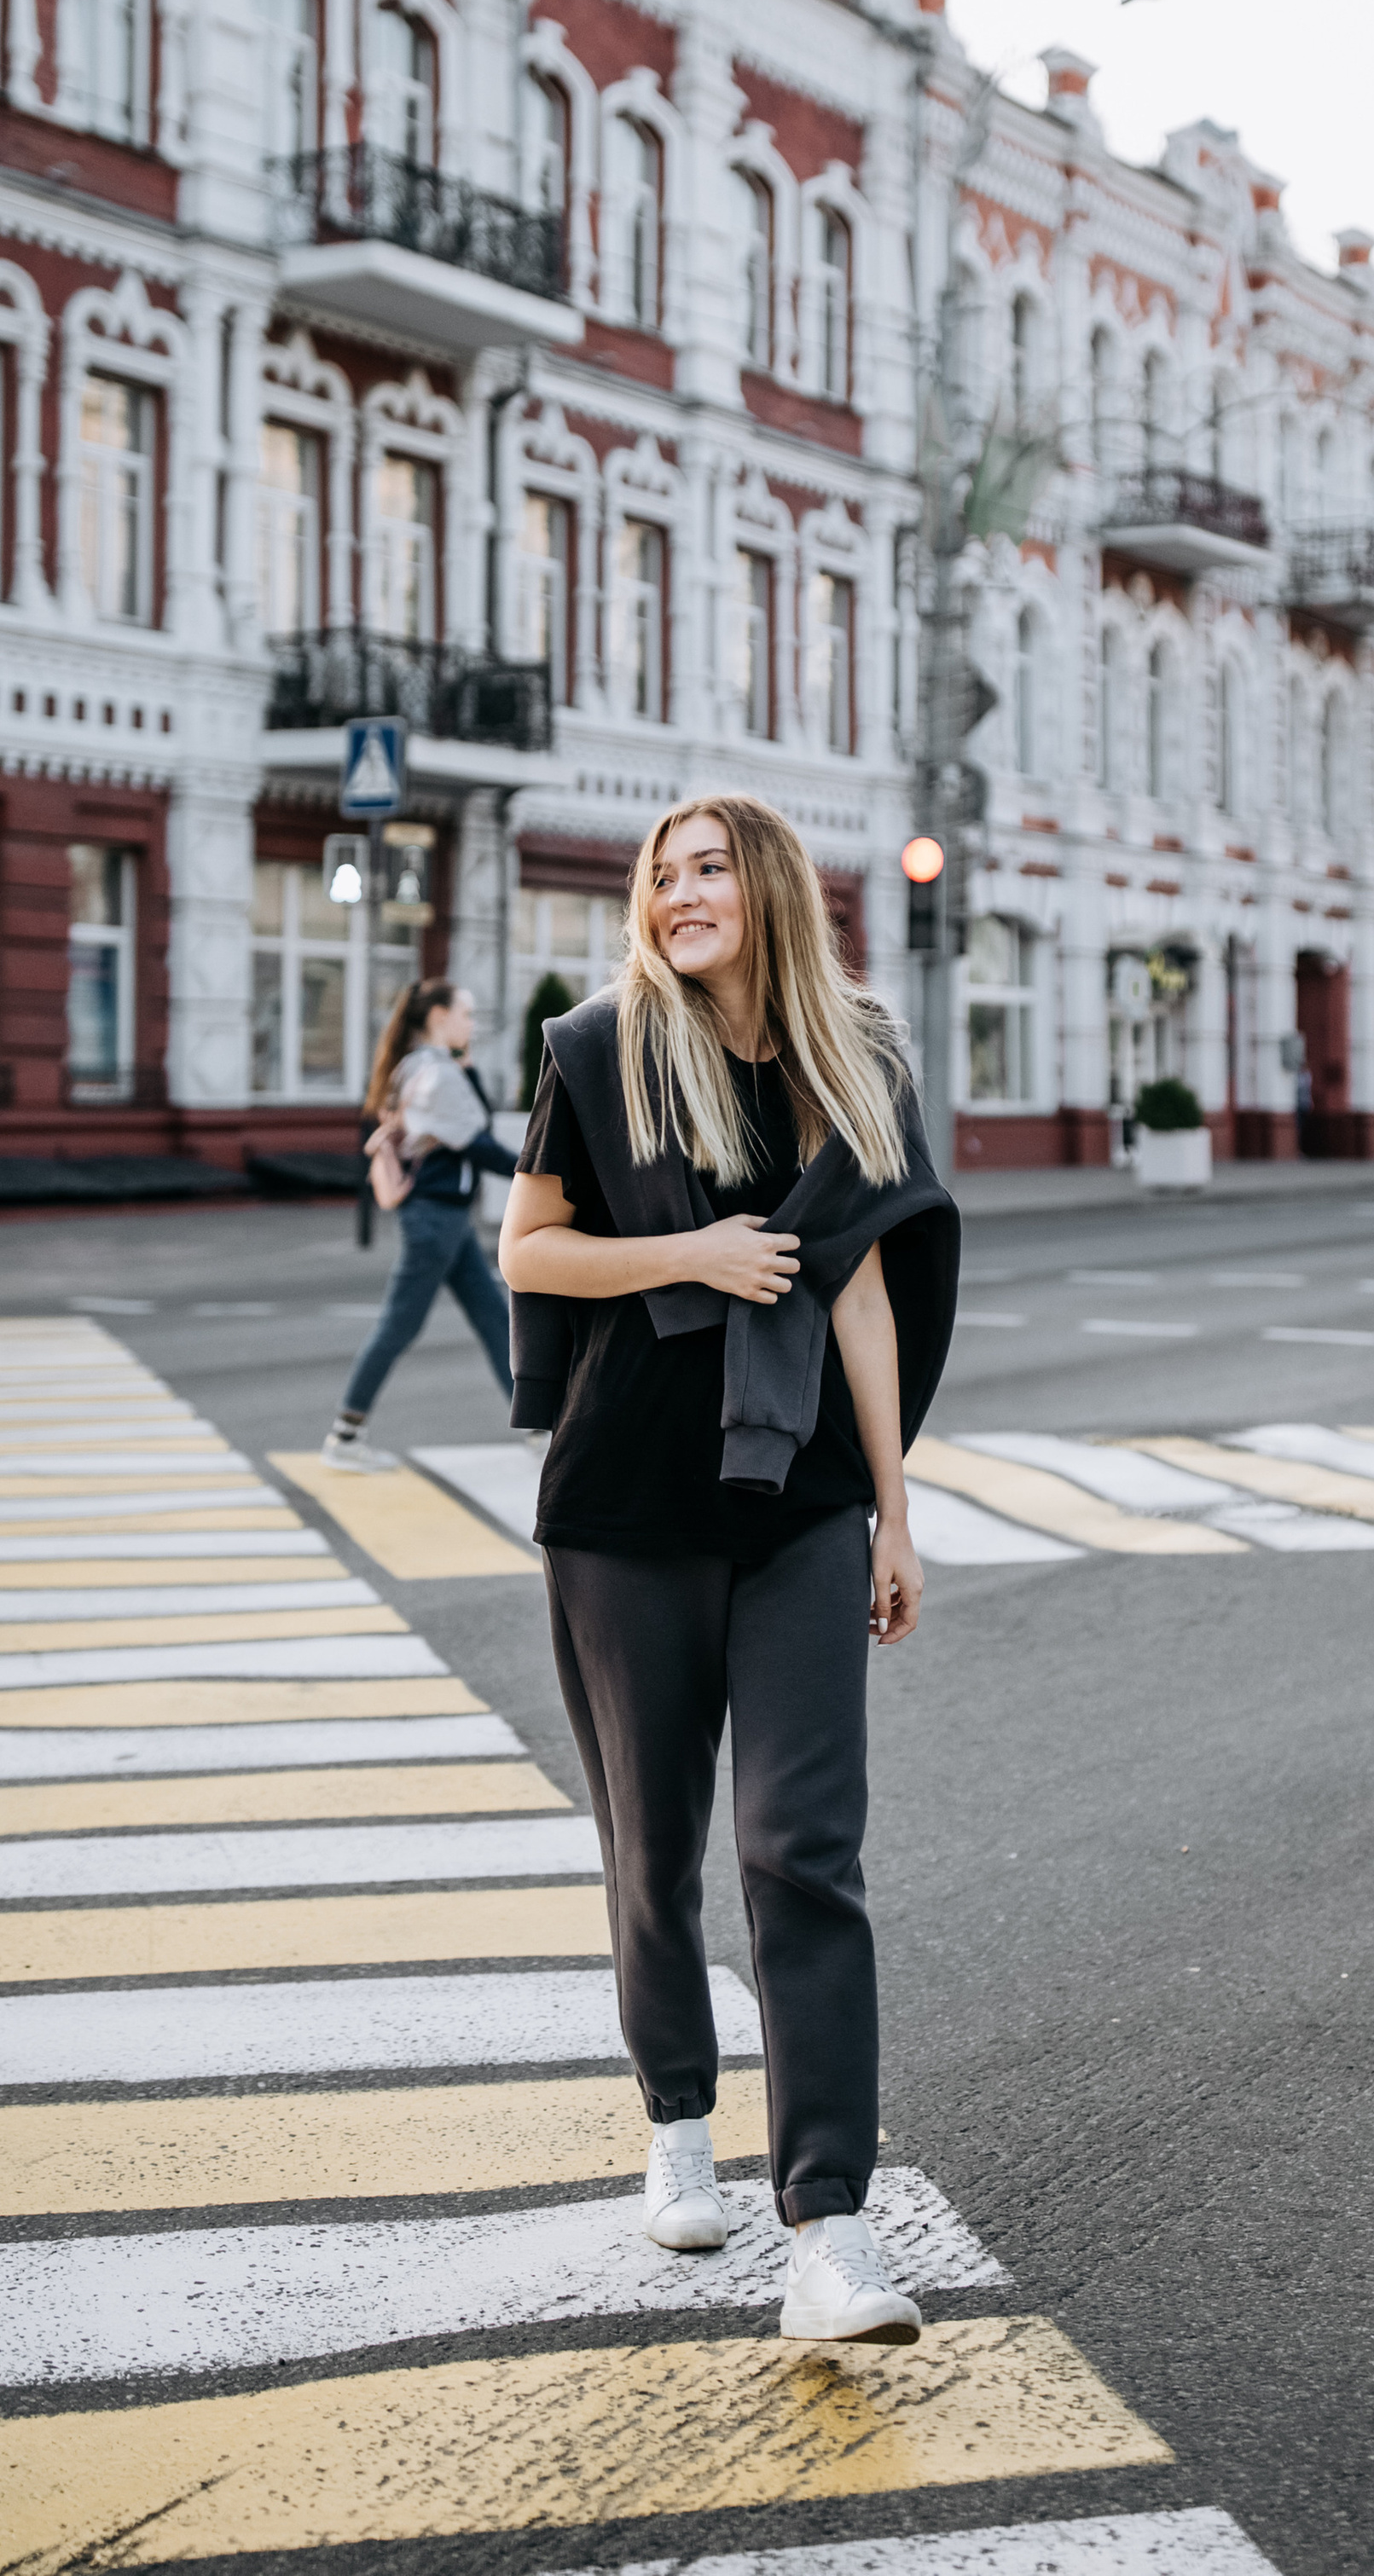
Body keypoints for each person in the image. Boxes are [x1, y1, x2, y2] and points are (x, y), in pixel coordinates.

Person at [500, 794, 958, 2347]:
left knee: (800, 1850)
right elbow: (528, 1250)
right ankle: (677, 2116)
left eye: (708, 871)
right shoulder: (602, 1049)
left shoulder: (857, 1063)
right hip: (625, 1505)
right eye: (662, 875)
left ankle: (831, 2228)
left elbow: (864, 1299)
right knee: (655, 1846)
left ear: (767, 891)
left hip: (801, 1504)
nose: (680, 894)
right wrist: (686, 1256)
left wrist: (894, 1511)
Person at [320, 980, 516, 1470]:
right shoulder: (435, 1075)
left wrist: (466, 1065)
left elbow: (476, 1126)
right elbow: (480, 1143)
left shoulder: (422, 1068)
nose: (472, 1023)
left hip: (443, 1218)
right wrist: (549, 1171)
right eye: (466, 1014)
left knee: (495, 1318)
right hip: (435, 1218)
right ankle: (345, 1435)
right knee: (398, 1327)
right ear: (438, 1018)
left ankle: (540, 1428)